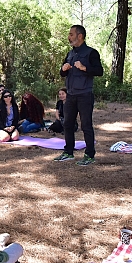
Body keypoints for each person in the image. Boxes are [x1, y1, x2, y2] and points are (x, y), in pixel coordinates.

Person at [54, 25, 103, 166]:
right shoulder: (70, 54)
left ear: (79, 36)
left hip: (85, 95)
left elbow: (99, 71)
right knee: (68, 124)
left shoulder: (91, 53)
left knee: (86, 125)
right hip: (70, 95)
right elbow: (62, 73)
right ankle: (68, 152)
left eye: (71, 34)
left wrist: (84, 68)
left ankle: (89, 155)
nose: (69, 37)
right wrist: (63, 69)